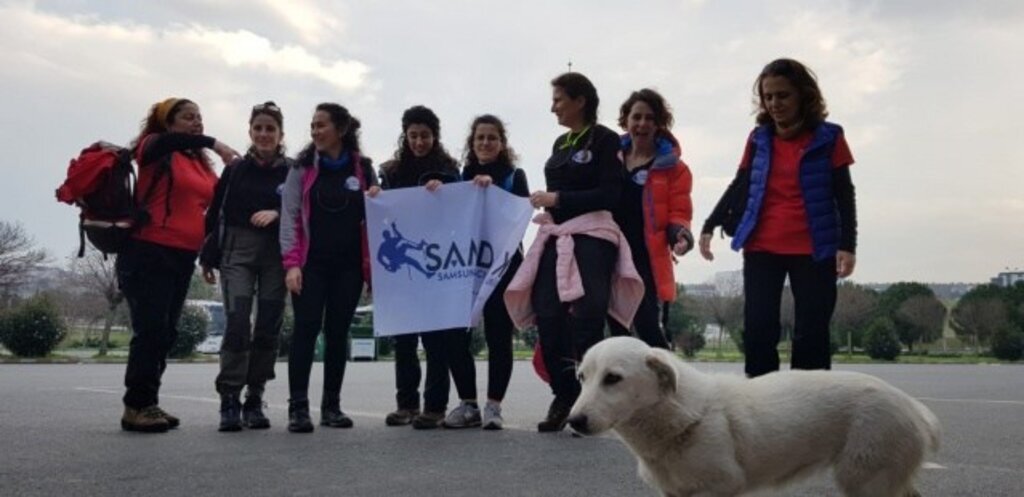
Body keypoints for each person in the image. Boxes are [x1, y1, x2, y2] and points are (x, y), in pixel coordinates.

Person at [699, 58, 858, 378]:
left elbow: (844, 192)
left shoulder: (830, 137)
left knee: (811, 333)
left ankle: (809, 401)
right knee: (759, 329)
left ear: (803, 95)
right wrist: (709, 224)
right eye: (768, 96)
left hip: (814, 248)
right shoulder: (758, 138)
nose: (774, 103)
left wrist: (847, 245)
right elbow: (740, 183)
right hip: (762, 245)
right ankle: (760, 400)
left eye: (783, 95)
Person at [506, 72, 641, 433]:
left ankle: (592, 403)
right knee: (547, 314)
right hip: (557, 236)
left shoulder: (605, 140)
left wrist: (559, 198)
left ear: (580, 101)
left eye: (558, 100)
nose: (553, 108)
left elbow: (611, 194)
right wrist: (548, 204)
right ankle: (563, 395)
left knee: (587, 318)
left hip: (594, 237)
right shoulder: (560, 143)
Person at [116, 98, 238, 433]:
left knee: (166, 332)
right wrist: (214, 142)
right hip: (148, 250)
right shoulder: (154, 147)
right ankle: (136, 406)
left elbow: (216, 203)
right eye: (187, 117)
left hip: (182, 255)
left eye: (199, 117)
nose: (197, 122)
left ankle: (148, 402)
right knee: (151, 330)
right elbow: (160, 144)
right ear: (167, 123)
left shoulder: (197, 161)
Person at [279, 103, 377, 433]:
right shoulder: (301, 168)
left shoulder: (363, 168)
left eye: (321, 125)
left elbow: (377, 218)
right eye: (313, 125)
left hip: (348, 267)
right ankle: (298, 408)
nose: (315, 131)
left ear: (342, 129)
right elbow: (290, 217)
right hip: (311, 266)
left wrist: (377, 194)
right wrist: (291, 264)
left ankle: (331, 406)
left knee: (337, 333)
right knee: (305, 330)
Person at [368, 105, 463, 430]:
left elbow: (459, 212)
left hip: (435, 264)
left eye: (425, 135)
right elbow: (383, 216)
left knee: (436, 340)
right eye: (413, 136)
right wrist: (377, 195)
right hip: (400, 271)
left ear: (435, 137)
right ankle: (406, 404)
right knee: (404, 339)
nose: (419, 142)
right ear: (405, 136)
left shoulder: (450, 171)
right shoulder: (391, 172)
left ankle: (435, 407)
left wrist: (445, 192)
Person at [200, 101, 291, 431]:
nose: (264, 134)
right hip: (237, 252)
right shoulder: (236, 170)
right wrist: (207, 256)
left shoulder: (293, 171)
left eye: (270, 129)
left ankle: (255, 396)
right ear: (250, 132)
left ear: (281, 134)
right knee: (238, 323)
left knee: (268, 325)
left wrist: (278, 212)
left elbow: (303, 211)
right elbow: (215, 213)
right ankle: (229, 397)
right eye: (258, 128)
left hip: (276, 255)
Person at [442, 115, 529, 430]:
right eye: (480, 137)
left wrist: (494, 194)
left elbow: (519, 216)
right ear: (472, 142)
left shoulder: (514, 176)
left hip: (501, 267)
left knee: (498, 336)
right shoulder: (459, 178)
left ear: (501, 143)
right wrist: (436, 191)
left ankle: (494, 406)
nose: (485, 143)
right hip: (464, 267)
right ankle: (468, 404)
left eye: (492, 137)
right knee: (454, 335)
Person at [607, 89, 694, 349]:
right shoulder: (608, 157)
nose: (642, 124)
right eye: (636, 117)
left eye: (650, 118)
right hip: (607, 250)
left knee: (647, 326)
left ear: (659, 124)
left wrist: (681, 236)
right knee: (616, 329)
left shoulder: (675, 168)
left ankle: (668, 374)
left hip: (644, 255)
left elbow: (679, 212)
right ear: (626, 120)